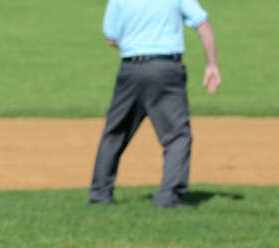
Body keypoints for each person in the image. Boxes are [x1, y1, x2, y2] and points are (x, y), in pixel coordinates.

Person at [88, 0, 222, 207]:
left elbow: (111, 38)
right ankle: (169, 196)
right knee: (177, 136)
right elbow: (202, 23)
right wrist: (212, 64)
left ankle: (100, 195)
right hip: (166, 68)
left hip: (131, 69)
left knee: (115, 132)